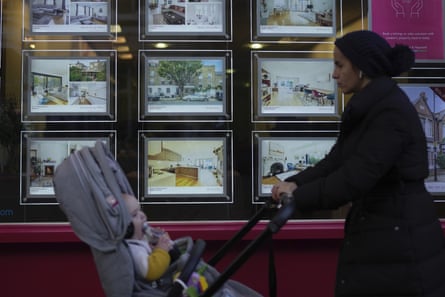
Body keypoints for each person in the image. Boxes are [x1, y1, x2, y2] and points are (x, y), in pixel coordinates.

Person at [271, 30, 445, 297]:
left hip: (400, 244)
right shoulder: (371, 107)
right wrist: (296, 182)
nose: (334, 74)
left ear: (362, 68)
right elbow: (336, 160)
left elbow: (355, 177)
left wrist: (299, 196)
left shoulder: (389, 113)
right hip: (383, 236)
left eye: (340, 65)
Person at [122, 193, 174, 282]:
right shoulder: (134, 250)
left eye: (140, 210)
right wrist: (161, 251)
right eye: (135, 215)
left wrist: (156, 243)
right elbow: (151, 271)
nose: (142, 215)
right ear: (127, 228)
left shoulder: (139, 239)